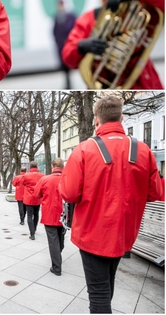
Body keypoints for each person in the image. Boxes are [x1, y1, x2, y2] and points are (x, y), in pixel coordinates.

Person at [60, 96, 163, 312]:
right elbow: (156, 193)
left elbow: (69, 194)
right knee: (107, 283)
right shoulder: (143, 151)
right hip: (124, 233)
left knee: (98, 293)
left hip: (92, 233)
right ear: (122, 118)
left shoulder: (83, 150)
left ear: (96, 120)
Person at [61, 0, 164, 89]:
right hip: (107, 89)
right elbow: (68, 57)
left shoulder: (142, 9)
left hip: (145, 84)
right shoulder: (89, 18)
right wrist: (82, 46)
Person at [35, 159, 65, 276]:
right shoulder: (68, 178)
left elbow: (37, 194)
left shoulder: (45, 179)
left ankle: (57, 267)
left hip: (50, 213)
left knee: (53, 240)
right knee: (60, 237)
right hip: (64, 214)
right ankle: (58, 253)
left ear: (52, 166)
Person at [52, 0, 77, 88]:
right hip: (60, 46)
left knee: (68, 64)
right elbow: (54, 31)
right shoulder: (57, 17)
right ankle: (67, 81)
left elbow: (74, 29)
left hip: (68, 44)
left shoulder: (70, 16)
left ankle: (69, 82)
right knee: (63, 65)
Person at [22, 161, 44, 240]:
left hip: (29, 198)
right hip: (38, 198)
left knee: (29, 215)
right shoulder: (42, 175)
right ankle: (34, 228)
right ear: (37, 167)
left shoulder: (26, 176)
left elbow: (23, 183)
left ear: (30, 167)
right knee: (36, 214)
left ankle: (32, 233)